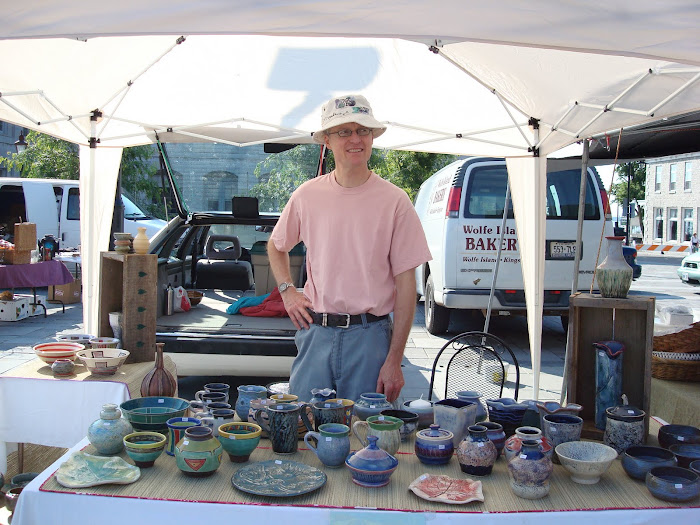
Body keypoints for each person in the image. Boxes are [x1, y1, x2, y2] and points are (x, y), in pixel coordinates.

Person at [267, 94, 432, 404]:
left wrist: (394, 360)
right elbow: (276, 246)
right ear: (327, 140)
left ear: (372, 137)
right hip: (316, 335)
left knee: (369, 439)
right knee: (303, 433)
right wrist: (288, 292)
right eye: (344, 131)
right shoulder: (307, 195)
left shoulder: (395, 201)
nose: (356, 139)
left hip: (371, 339)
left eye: (363, 130)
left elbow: (407, 286)